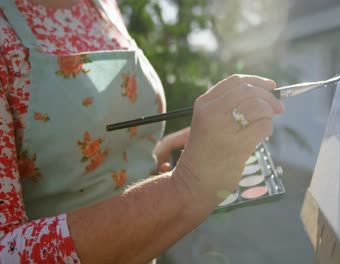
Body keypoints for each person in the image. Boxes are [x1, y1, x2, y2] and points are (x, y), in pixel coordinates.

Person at [0, 0, 284, 262]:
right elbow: (6, 251)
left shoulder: (104, 5)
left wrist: (153, 160)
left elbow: (92, 162)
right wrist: (184, 186)